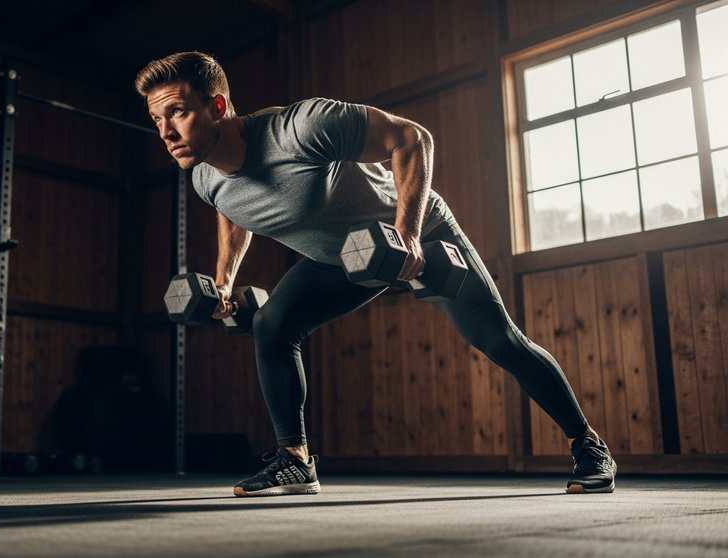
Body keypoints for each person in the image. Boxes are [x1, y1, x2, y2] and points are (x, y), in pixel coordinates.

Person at [135, 51, 617, 497]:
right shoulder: (202, 175)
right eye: (156, 119)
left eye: (176, 112)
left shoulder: (301, 128)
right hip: (340, 260)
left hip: (421, 234)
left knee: (498, 340)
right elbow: (232, 207)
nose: (165, 131)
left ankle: (588, 445)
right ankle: (295, 461)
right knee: (273, 324)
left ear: (218, 105)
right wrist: (223, 279)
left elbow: (411, 138)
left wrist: (407, 233)